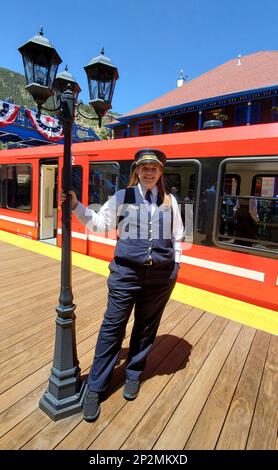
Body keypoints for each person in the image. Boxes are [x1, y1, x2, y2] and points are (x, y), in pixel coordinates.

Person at [62, 149, 184, 422]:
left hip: (160, 277)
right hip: (126, 274)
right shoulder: (122, 197)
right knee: (113, 327)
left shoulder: (170, 201)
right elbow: (98, 224)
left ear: (160, 172)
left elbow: (177, 235)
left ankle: (133, 374)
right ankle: (95, 387)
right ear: (137, 171)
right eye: (144, 168)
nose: (149, 172)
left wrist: (176, 266)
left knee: (146, 327)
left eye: (154, 168)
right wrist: (76, 206)